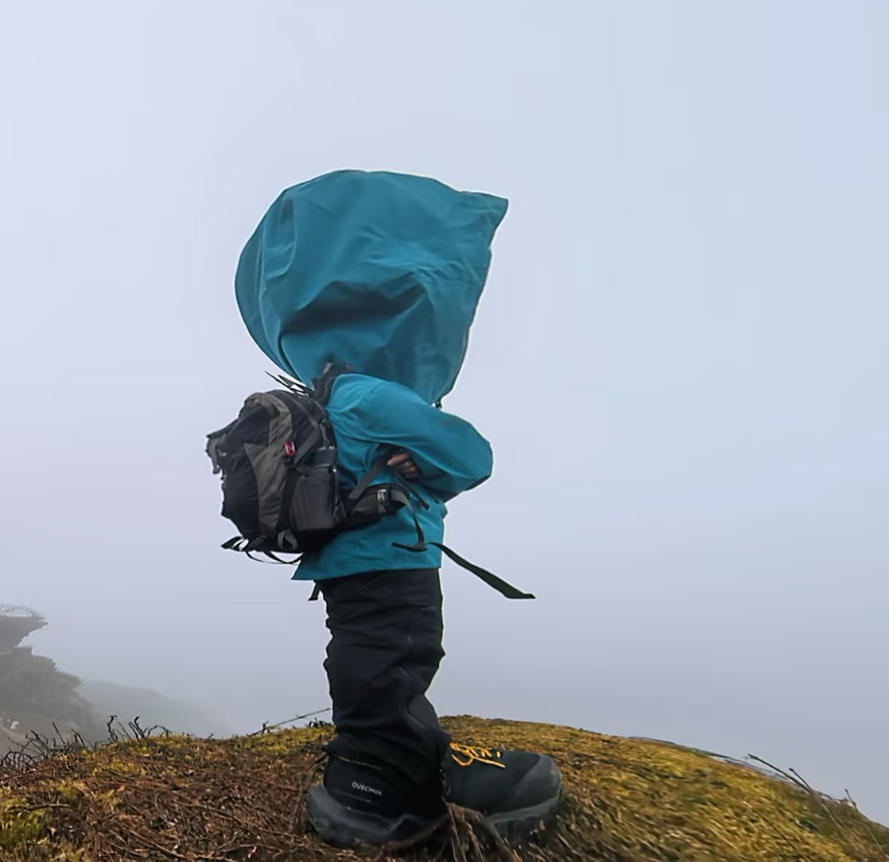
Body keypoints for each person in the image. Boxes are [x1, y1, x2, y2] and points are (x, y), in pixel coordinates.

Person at [234, 170, 562, 847]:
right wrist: (431, 466)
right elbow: (471, 456)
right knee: (400, 655)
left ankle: (365, 771)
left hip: (343, 557)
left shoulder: (329, 395)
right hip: (391, 553)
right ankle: (382, 790)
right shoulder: (371, 396)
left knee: (366, 654)